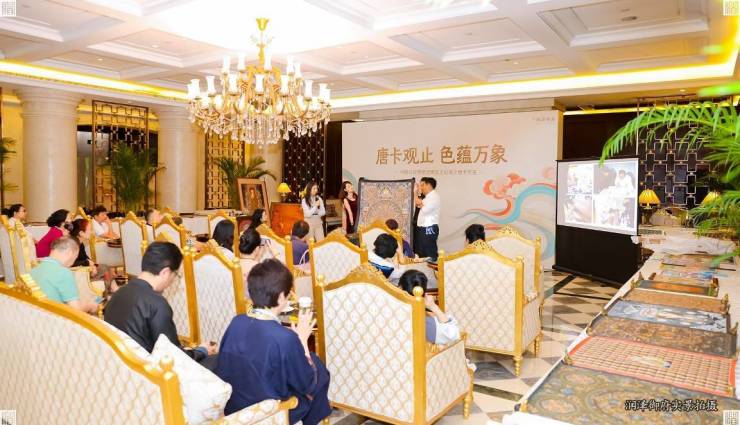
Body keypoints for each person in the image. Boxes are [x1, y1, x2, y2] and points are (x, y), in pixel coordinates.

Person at [216, 259, 331, 424]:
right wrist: (302, 341)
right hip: (270, 414)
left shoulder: (236, 322)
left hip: (235, 409)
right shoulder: (285, 338)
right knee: (318, 370)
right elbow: (307, 384)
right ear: (282, 296)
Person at [104, 242, 218, 368]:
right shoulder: (157, 304)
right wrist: (202, 351)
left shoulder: (119, 293)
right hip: (147, 372)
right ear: (165, 273)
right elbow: (174, 358)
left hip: (120, 365)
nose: (173, 281)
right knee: (218, 361)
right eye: (176, 275)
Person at [31, 237, 98, 314]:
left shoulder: (34, 270)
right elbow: (76, 309)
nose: (72, 263)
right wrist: (90, 305)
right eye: (75, 257)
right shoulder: (63, 272)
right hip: (57, 317)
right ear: (69, 252)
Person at [398, 270, 459, 344]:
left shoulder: (388, 309)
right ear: (424, 293)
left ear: (400, 287)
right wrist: (434, 307)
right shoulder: (425, 323)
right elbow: (454, 335)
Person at [70, 218, 118, 293]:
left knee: (105, 268)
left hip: (84, 270)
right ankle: (112, 291)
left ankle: (114, 290)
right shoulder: (72, 245)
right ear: (81, 233)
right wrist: (88, 263)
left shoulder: (80, 243)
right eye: (90, 230)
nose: (92, 232)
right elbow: (71, 263)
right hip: (78, 273)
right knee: (105, 270)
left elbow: (85, 257)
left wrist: (94, 265)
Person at [414, 177, 441, 262]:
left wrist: (415, 193)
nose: (421, 188)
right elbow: (418, 204)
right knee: (423, 253)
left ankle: (434, 269)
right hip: (424, 228)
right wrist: (416, 194)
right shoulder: (428, 197)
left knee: (430, 254)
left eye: (422, 185)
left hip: (429, 228)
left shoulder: (434, 197)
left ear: (429, 185)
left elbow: (424, 209)